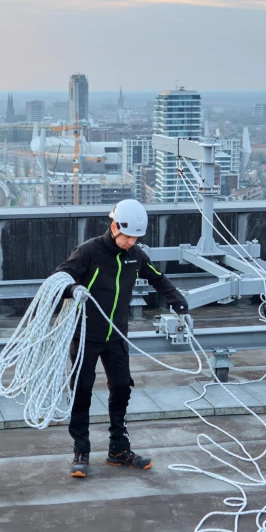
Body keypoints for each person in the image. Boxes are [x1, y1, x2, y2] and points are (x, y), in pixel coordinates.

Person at [55, 199, 190, 478]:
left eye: (135, 238)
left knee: (121, 387)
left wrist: (179, 304)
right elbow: (60, 277)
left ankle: (118, 448)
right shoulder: (88, 252)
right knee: (82, 390)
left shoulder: (135, 255)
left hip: (116, 335)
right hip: (86, 335)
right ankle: (81, 451)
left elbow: (158, 279)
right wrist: (72, 289)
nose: (130, 242)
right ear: (114, 226)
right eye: (127, 236)